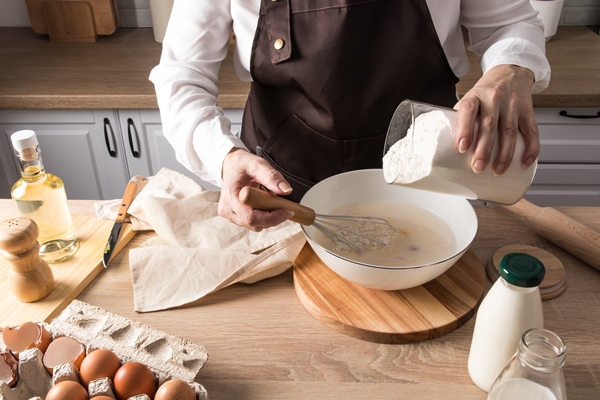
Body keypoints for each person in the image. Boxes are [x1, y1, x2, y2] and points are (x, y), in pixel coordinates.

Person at [150, 0, 551, 232]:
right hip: (284, 204)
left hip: (432, 188)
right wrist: (223, 156)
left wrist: (511, 69)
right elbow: (182, 75)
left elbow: (510, 22)